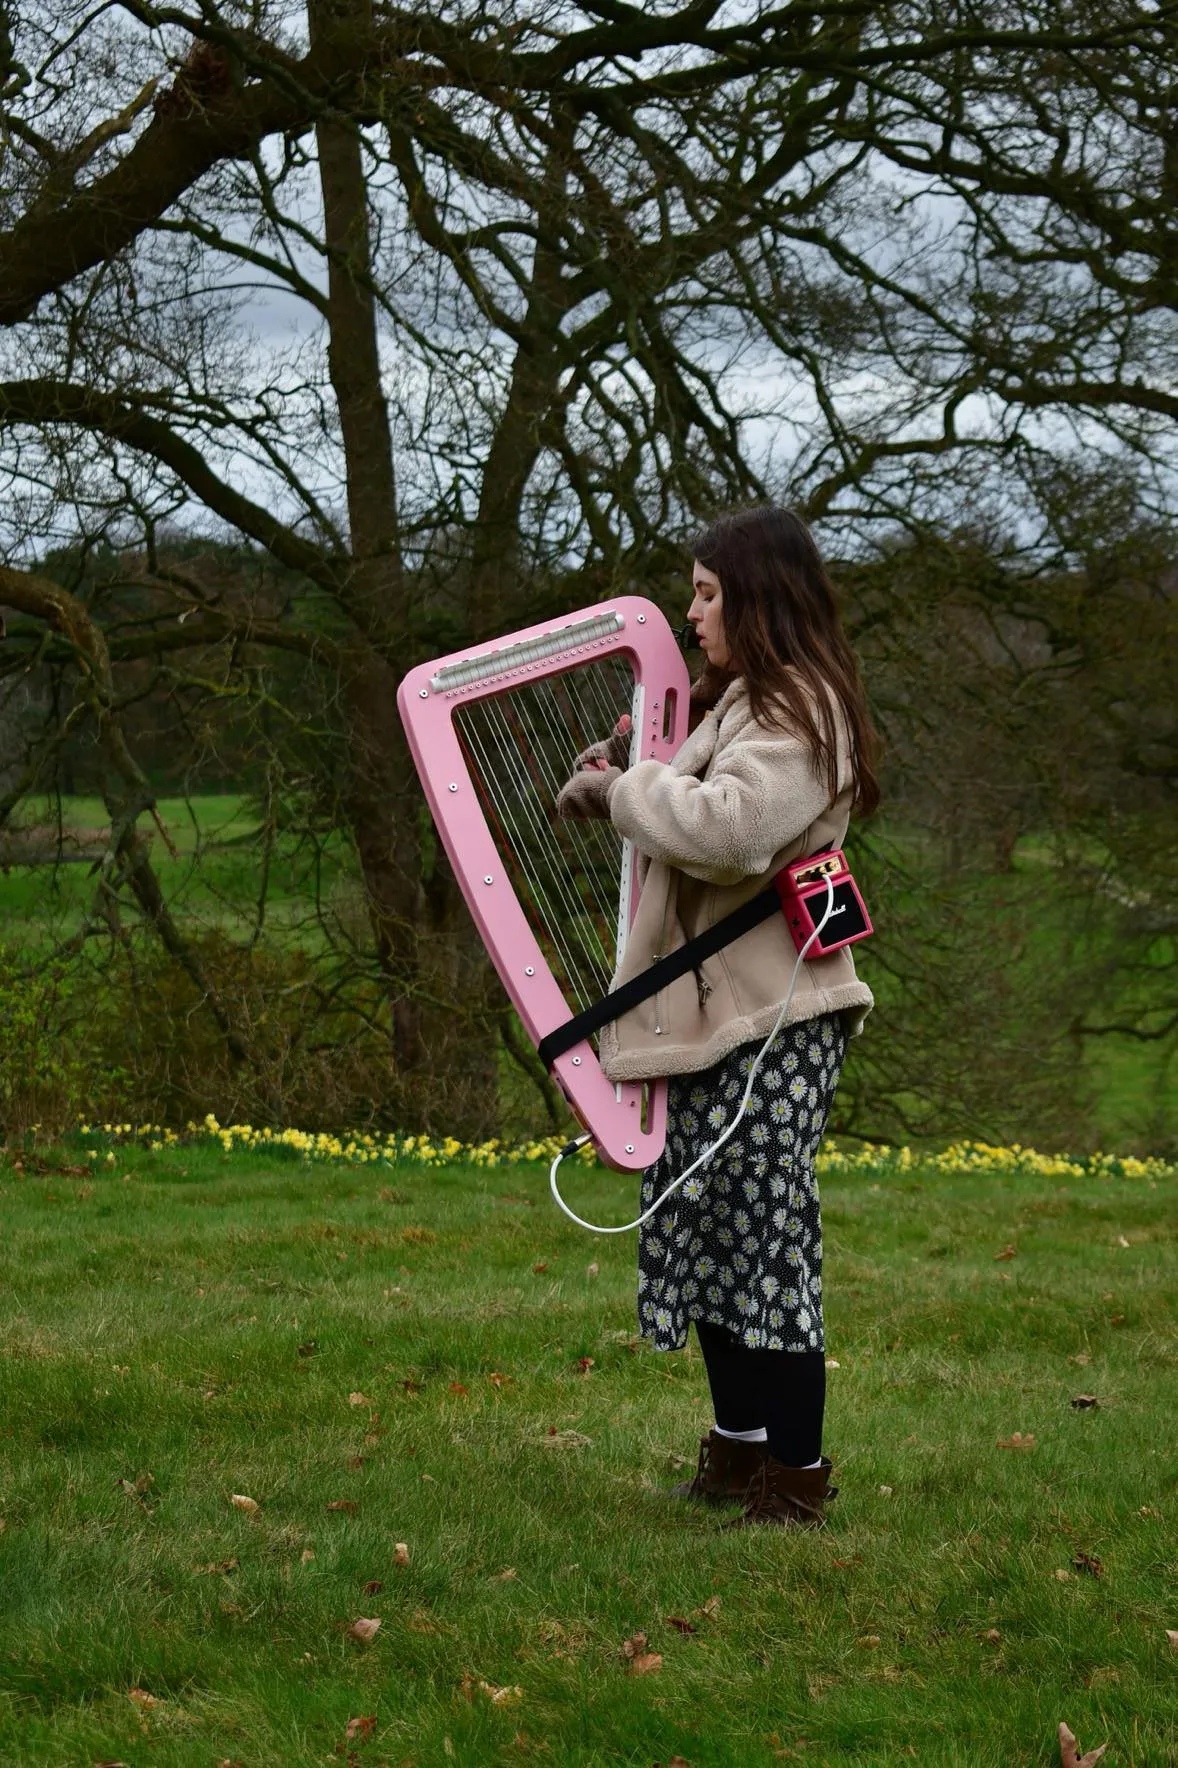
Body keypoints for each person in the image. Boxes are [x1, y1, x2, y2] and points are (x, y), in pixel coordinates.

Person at [555, 504, 879, 1528]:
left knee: (764, 1233)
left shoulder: (799, 708)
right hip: (707, 1017)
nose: (689, 613)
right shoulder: (734, 703)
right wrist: (612, 783)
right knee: (702, 1229)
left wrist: (631, 792)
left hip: (773, 1018)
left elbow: (730, 831)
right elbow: (669, 804)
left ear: (758, 595)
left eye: (705, 592)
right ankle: (738, 1452)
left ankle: (797, 1478)